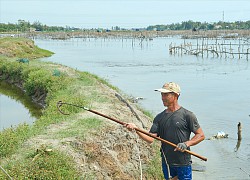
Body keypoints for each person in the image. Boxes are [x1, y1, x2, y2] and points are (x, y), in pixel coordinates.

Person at [124, 82, 205, 180]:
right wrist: (136, 129)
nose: (162, 97)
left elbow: (200, 135)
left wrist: (187, 143)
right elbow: (150, 138)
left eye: (166, 94)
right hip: (167, 162)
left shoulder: (187, 115)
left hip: (183, 163)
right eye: (162, 94)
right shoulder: (159, 118)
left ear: (176, 95)